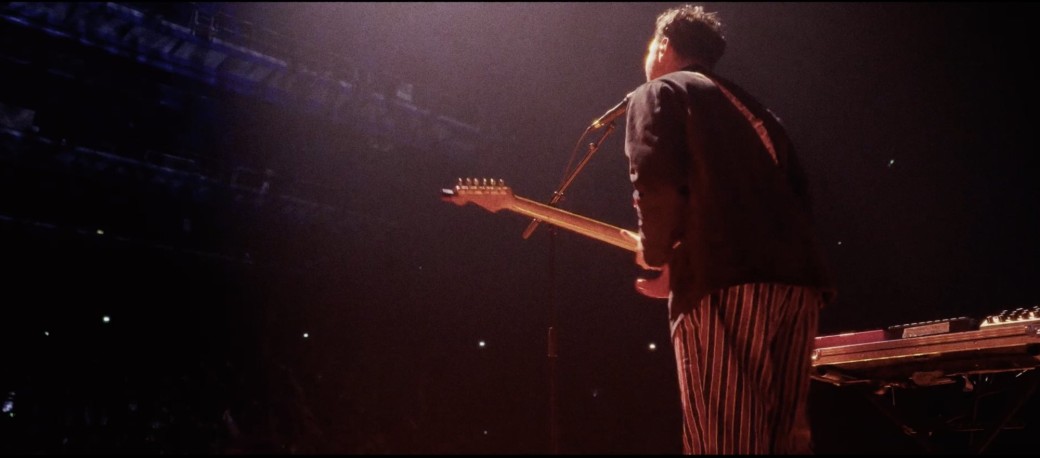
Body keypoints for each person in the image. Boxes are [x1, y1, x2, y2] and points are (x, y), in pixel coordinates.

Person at [620, 4, 836, 454]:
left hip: (722, 283)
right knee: (785, 443)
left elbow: (657, 184)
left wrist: (657, 253)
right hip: (799, 285)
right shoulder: (757, 111)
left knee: (727, 440)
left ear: (664, 44)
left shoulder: (660, 91)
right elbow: (799, 197)